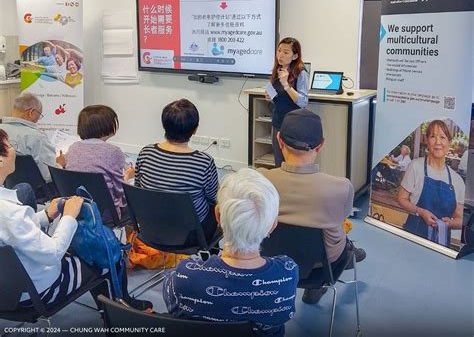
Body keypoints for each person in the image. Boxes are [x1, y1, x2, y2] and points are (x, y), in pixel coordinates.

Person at [0, 128, 151, 311]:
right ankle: (119, 310)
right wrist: (69, 216)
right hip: (36, 293)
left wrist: (46, 215)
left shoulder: (8, 211)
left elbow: (15, 230)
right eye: (10, 145)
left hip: (8, 289)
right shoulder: (10, 212)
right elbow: (53, 253)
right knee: (106, 252)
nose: (14, 149)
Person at [163, 168, 298, 336]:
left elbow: (172, 307)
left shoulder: (184, 276)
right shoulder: (287, 273)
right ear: (273, 225)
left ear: (218, 215)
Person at [259, 108, 366, 304]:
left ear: (279, 140)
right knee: (335, 232)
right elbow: (341, 220)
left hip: (268, 260)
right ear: (321, 145)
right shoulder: (341, 187)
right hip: (322, 266)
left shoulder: (259, 180)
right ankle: (344, 260)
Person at [135, 99, 219, 241]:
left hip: (150, 228)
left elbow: (138, 187)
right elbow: (213, 197)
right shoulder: (204, 162)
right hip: (189, 236)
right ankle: (210, 254)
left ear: (164, 125)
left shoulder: (146, 153)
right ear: (195, 130)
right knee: (217, 206)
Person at [58, 105, 134, 218]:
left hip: (76, 208)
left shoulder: (73, 148)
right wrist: (127, 176)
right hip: (106, 213)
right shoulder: (114, 152)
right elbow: (121, 192)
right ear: (107, 125)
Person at [397, 120, 465, 245]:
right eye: (433, 136)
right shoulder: (415, 166)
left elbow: (460, 218)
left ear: (449, 143)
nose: (438, 142)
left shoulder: (457, 181)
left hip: (441, 244)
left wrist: (450, 223)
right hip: (412, 238)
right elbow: (401, 198)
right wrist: (420, 211)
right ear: (427, 141)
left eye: (442, 137)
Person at [267, 37, 308, 167]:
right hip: (278, 121)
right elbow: (277, 96)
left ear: (295, 56)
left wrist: (286, 84)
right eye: (279, 51)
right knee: (279, 162)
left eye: (286, 52)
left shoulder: (300, 72)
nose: (280, 55)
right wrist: (270, 96)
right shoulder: (277, 70)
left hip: (294, 123)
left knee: (292, 163)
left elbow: (303, 101)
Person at [0, 93, 57, 183]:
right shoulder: (37, 137)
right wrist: (59, 165)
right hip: (34, 189)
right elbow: (49, 175)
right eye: (39, 115)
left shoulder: (1, 131)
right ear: (32, 112)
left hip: (5, 185)